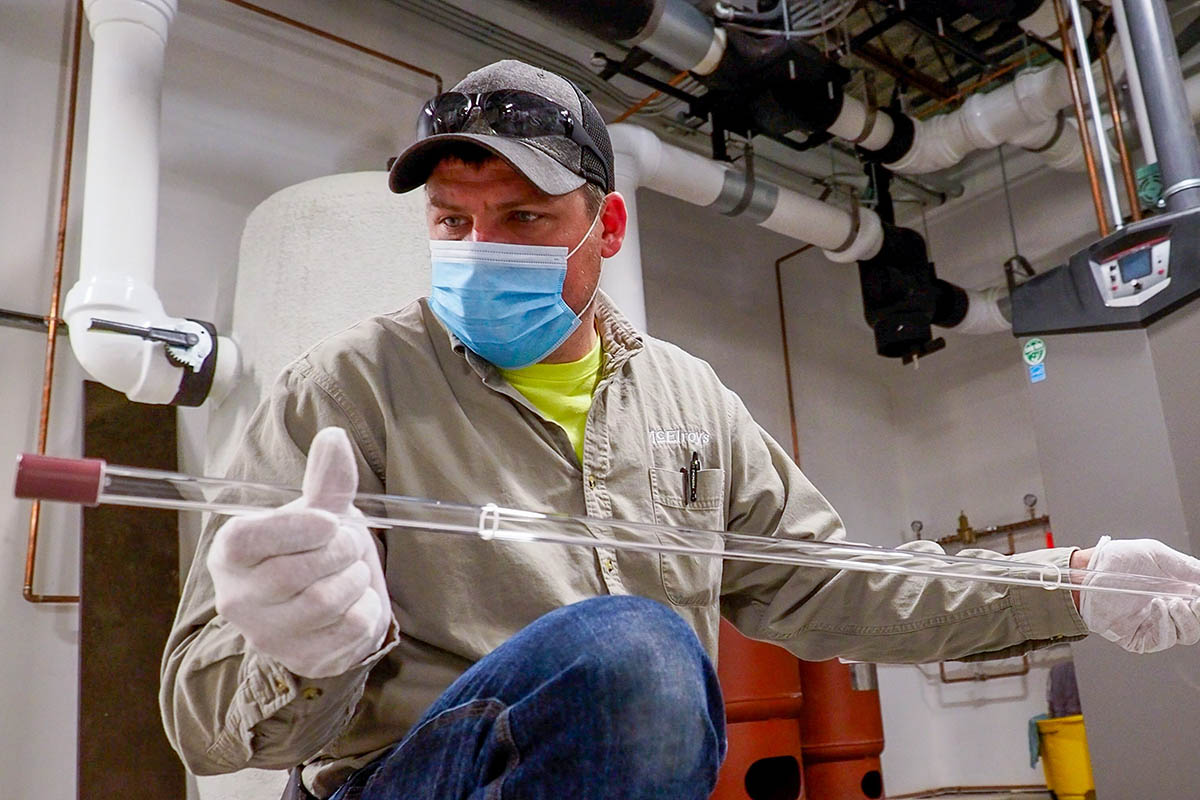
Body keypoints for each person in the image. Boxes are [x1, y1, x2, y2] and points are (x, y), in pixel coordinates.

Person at [160, 59, 1200, 800]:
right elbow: (200, 722)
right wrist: (294, 650)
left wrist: (1070, 582)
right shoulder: (344, 387)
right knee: (643, 653)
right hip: (406, 779)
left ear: (606, 229)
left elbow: (839, 584)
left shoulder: (691, 401)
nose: (479, 250)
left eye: (523, 219)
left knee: (641, 659)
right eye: (453, 220)